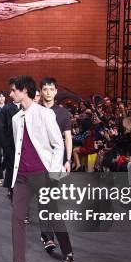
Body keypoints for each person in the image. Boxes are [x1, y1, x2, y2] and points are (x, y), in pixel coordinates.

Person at [0, 75, 74, 262]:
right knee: (17, 218)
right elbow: (18, 148)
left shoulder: (45, 114)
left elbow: (58, 145)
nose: (10, 94)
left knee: (53, 215)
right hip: (21, 177)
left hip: (44, 175)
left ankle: (68, 253)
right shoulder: (15, 118)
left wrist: (54, 172)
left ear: (23, 91)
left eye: (13, 90)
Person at [39, 77, 73, 252]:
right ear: (41, 91)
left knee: (50, 199)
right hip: (37, 162)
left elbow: (68, 137)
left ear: (55, 91)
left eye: (51, 89)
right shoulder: (35, 112)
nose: (48, 92)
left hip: (56, 162)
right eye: (45, 89)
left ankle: (49, 234)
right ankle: (48, 237)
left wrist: (68, 160)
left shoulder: (63, 113)